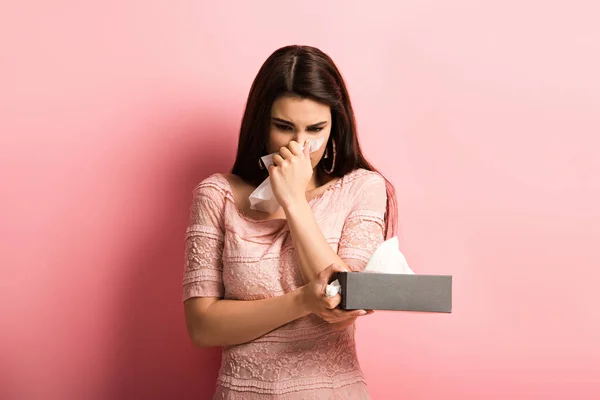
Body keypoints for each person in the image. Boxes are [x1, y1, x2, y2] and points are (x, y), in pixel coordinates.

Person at [182, 45, 398, 399]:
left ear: (334, 128)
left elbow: (344, 303)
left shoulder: (361, 188)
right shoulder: (216, 195)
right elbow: (202, 327)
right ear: (261, 125)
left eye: (315, 129)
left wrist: (294, 202)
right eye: (284, 127)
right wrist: (301, 302)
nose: (300, 145)